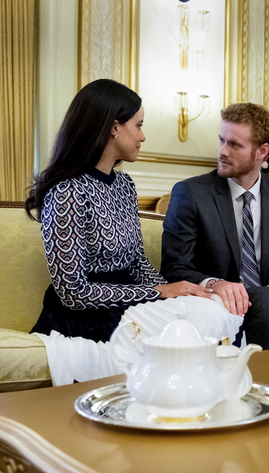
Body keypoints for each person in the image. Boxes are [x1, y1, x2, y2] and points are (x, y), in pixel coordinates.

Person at [25, 79, 242, 385]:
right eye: (138, 125)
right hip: (85, 315)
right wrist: (158, 293)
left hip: (131, 303)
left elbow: (137, 263)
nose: (142, 136)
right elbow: (73, 293)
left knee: (213, 307)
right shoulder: (66, 191)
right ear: (114, 128)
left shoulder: (124, 186)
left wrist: (181, 288)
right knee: (193, 326)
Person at [161, 102, 269, 349]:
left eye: (234, 144)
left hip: (267, 297)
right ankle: (257, 384)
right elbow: (174, 267)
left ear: (262, 151)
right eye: (222, 140)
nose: (223, 151)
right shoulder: (191, 193)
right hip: (215, 301)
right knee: (267, 299)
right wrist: (217, 284)